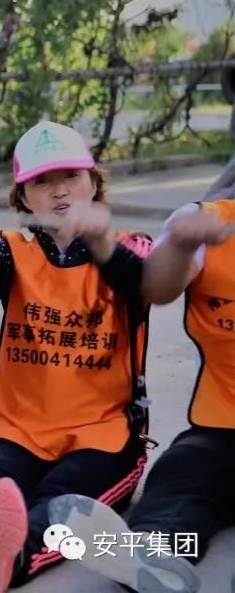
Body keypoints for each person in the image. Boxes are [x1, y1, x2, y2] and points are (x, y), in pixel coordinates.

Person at [0, 121, 154, 593]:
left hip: (100, 436)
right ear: (23, 198)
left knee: (62, 504)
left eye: (71, 176)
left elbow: (143, 282)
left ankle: (6, 557)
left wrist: (99, 241)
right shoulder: (16, 252)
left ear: (94, 182)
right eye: (42, 182)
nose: (59, 191)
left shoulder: (131, 245)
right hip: (12, 427)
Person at [46, 199, 235, 593]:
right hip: (223, 428)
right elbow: (156, 288)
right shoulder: (206, 219)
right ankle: (152, 554)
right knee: (182, 473)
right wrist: (181, 245)